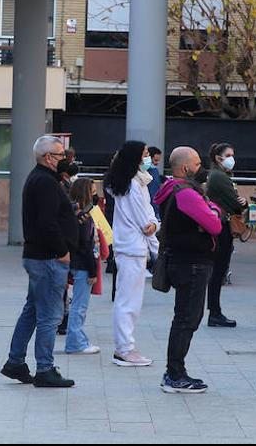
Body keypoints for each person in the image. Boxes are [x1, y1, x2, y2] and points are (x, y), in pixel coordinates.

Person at [1, 135, 74, 388]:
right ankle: (45, 368)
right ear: (47, 157)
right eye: (60, 155)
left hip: (39, 256)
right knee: (50, 315)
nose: (64, 159)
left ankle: (15, 361)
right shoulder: (44, 182)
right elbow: (47, 222)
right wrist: (62, 251)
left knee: (32, 310)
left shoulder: (45, 179)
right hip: (47, 258)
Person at [152, 146, 222, 393]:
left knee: (184, 317)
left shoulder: (171, 189)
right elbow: (215, 224)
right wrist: (213, 210)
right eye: (196, 163)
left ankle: (175, 371)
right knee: (187, 319)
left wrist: (212, 209)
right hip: (191, 263)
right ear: (185, 168)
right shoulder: (187, 193)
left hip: (183, 261)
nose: (200, 167)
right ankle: (175, 374)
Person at [107, 140, 160, 367]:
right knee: (128, 301)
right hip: (132, 248)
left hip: (131, 247)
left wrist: (153, 225)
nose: (148, 157)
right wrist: (155, 230)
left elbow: (148, 219)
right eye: (145, 154)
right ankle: (125, 349)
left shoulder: (134, 183)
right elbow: (146, 222)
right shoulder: (132, 185)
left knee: (128, 299)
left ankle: (126, 347)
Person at [204, 142, 245, 328]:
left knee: (218, 270)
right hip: (222, 227)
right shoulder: (220, 177)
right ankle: (215, 312)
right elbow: (235, 203)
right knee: (218, 270)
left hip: (220, 225)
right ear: (218, 158)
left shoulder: (217, 175)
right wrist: (242, 203)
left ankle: (215, 311)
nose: (231, 159)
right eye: (228, 155)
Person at [64, 176, 100, 355]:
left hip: (77, 263)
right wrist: (93, 270)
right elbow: (85, 245)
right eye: (93, 192)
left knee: (78, 304)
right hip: (82, 264)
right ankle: (75, 343)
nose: (96, 195)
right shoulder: (83, 216)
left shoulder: (75, 212)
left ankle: (79, 340)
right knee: (80, 305)